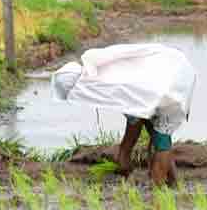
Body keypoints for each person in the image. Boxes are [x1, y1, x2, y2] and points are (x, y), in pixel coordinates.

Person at [51, 43, 197, 187]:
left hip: (171, 80)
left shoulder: (103, 85)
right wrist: (125, 151)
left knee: (161, 139)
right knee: (156, 133)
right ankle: (173, 184)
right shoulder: (96, 74)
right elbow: (136, 115)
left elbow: (135, 117)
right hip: (168, 68)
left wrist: (124, 152)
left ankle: (157, 192)